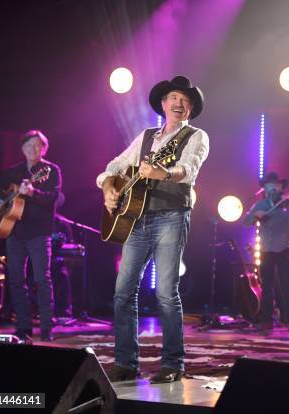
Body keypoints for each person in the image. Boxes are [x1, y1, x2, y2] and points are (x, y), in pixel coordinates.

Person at [97, 75, 209, 383]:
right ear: (163, 104)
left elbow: (188, 170)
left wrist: (163, 172)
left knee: (164, 293)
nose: (178, 103)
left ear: (190, 109)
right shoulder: (145, 136)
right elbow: (113, 167)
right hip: (136, 219)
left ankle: (173, 363)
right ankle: (126, 362)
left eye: (185, 101)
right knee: (122, 292)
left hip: (172, 216)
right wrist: (109, 187)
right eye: (174, 98)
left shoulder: (196, 136)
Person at [0, 130, 62, 342]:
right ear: (22, 149)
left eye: (37, 146)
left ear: (44, 149)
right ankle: (23, 327)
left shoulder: (50, 170)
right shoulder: (13, 172)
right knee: (17, 281)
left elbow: (54, 199)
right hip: (14, 232)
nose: (33, 150)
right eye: (29, 146)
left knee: (42, 279)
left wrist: (32, 193)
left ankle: (46, 328)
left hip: (39, 232)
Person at [243, 172, 289, 332]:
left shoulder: (288, 203)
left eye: (274, 185)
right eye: (268, 186)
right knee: (266, 286)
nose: (272, 188)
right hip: (266, 249)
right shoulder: (260, 205)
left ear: (280, 187)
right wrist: (255, 216)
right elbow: (245, 222)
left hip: (284, 248)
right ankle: (266, 320)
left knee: (285, 285)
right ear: (264, 189)